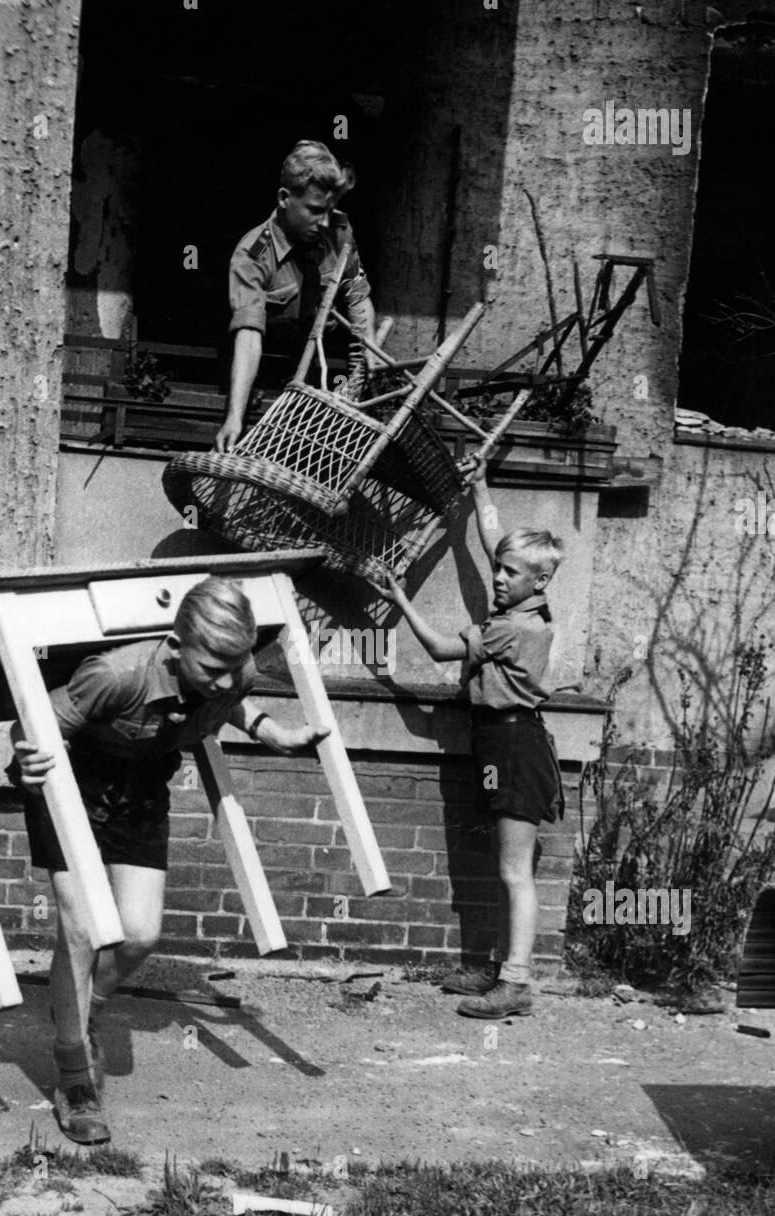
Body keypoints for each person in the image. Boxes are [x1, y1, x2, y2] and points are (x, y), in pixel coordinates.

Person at [9, 577, 328, 1144]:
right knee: (81, 930)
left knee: (138, 934)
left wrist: (272, 731)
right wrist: (25, 763)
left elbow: (231, 699)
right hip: (71, 783)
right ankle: (75, 1077)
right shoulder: (114, 675)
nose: (228, 679)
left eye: (237, 664)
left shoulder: (235, 672)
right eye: (213, 665)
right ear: (176, 646)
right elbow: (34, 722)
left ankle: (81, 1012)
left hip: (141, 791)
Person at [374, 465, 564, 1021]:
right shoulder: (521, 606)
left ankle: (516, 984)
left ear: (538, 582)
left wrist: (400, 597)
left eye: (510, 573)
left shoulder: (513, 628)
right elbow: (492, 545)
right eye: (499, 569)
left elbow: (436, 649)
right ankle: (495, 966)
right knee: (499, 865)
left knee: (513, 871)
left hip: (514, 745)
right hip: (496, 742)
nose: (499, 578)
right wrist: (481, 488)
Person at [215, 139, 377, 452]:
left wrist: (367, 351)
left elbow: (357, 296)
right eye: (315, 211)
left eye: (330, 210)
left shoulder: (339, 230)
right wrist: (234, 416)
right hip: (256, 371)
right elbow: (249, 336)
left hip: (315, 371)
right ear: (285, 198)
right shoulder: (252, 254)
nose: (325, 222)